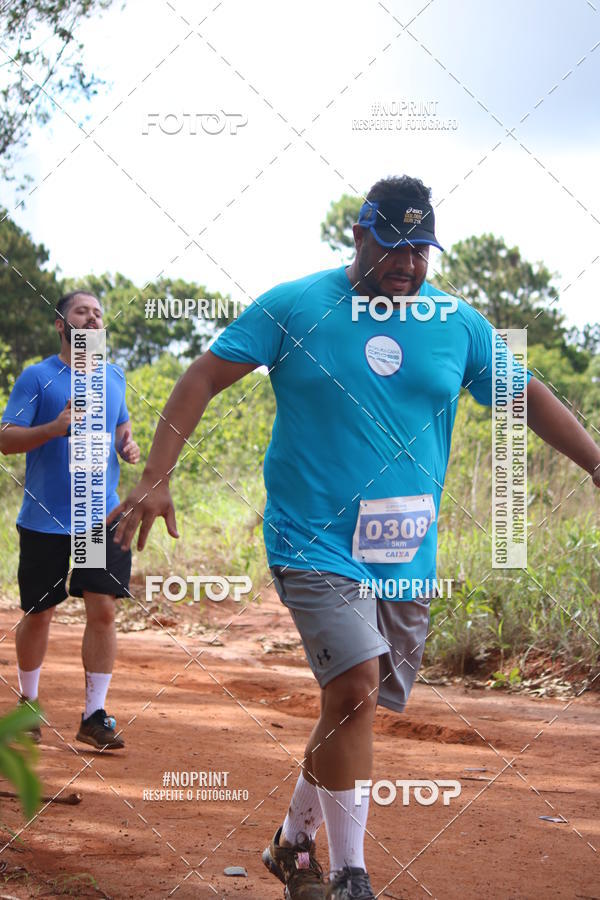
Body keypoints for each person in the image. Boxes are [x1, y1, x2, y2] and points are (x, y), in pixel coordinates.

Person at [108, 176, 600, 899]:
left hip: (406, 548)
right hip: (311, 539)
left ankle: (292, 846)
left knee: (356, 705)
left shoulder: (456, 323)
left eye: (421, 250)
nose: (408, 264)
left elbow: (526, 396)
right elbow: (203, 377)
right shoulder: (295, 306)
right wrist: (156, 475)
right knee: (355, 685)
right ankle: (351, 877)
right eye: (394, 247)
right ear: (359, 236)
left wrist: (594, 461)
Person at [0, 291, 140, 750]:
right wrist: (52, 429)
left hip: (97, 518)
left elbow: (121, 427)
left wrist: (127, 446)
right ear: (62, 325)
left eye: (98, 312)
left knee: (102, 608)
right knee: (40, 614)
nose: (93, 316)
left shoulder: (114, 376)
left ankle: (94, 715)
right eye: (82, 311)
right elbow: (6, 439)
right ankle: (29, 707)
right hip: (45, 519)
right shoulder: (38, 378)